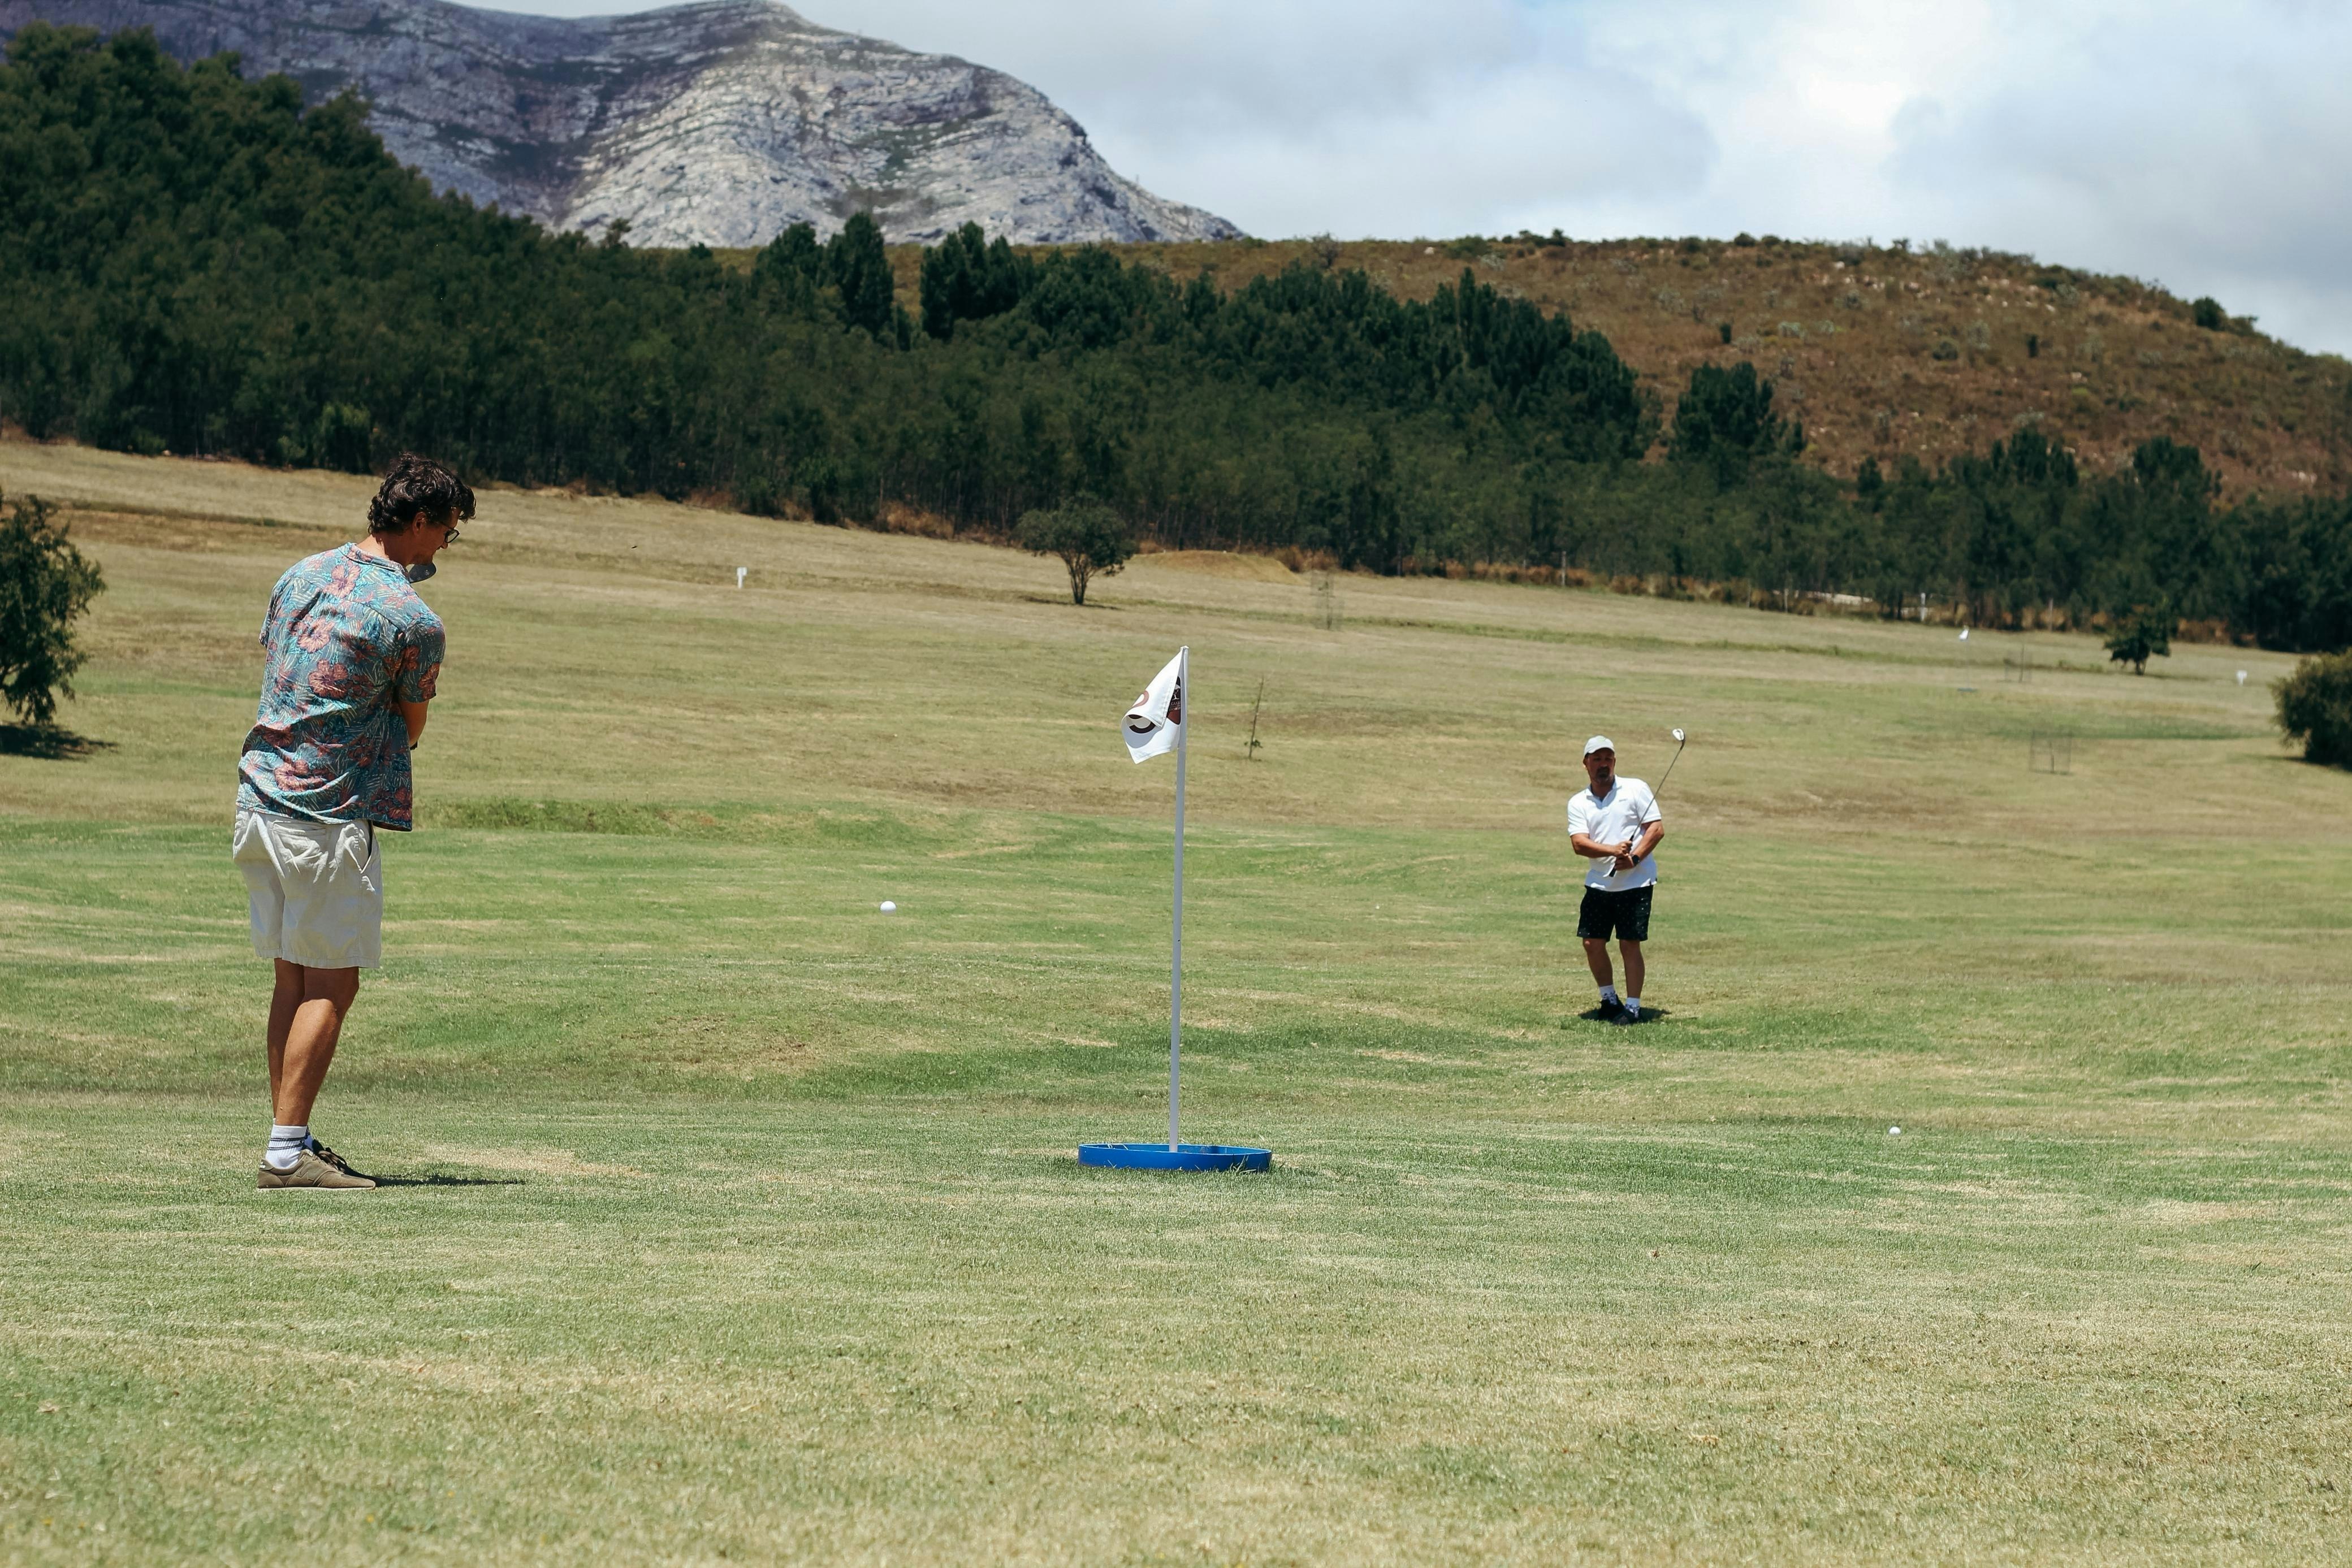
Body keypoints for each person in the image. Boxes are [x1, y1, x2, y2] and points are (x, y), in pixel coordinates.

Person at [232, 454, 470, 1189]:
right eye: (447, 531)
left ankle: (291, 1136)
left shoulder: (301, 573)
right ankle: (285, 1153)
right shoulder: (413, 619)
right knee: (333, 983)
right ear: (420, 522)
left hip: (260, 797)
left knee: (293, 977)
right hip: (327, 813)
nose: (446, 546)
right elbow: (414, 725)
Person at [1566, 735, 1663, 1025]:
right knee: (1591, 943)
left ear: (1615, 762)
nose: (1603, 764)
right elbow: (1579, 844)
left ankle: (1633, 1008)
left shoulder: (1636, 789)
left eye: (1608, 759)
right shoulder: (1578, 802)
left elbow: (1655, 829)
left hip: (1636, 883)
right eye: (1597, 759)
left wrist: (1634, 858)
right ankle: (1609, 1000)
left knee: (1629, 944)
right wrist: (1613, 851)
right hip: (1599, 883)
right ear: (1586, 764)